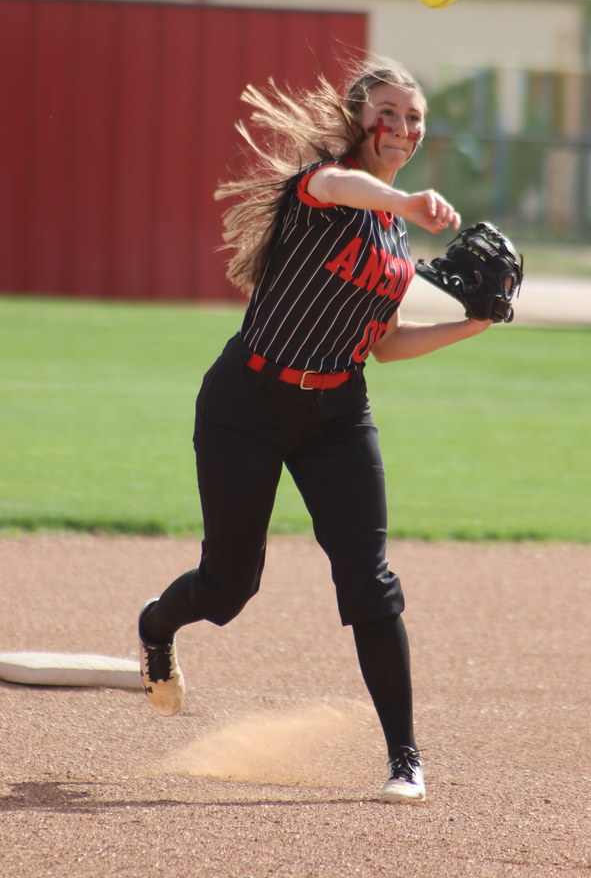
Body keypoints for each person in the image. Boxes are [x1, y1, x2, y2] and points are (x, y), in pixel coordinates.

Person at [138, 58, 491, 804]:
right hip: (247, 404)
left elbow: (385, 345)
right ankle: (157, 623)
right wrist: (405, 198)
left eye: (414, 117)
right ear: (358, 119)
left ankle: (404, 758)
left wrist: (475, 323)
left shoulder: (394, 235)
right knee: (229, 588)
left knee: (369, 579)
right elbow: (341, 186)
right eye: (387, 114)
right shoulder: (325, 187)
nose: (401, 128)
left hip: (337, 412)